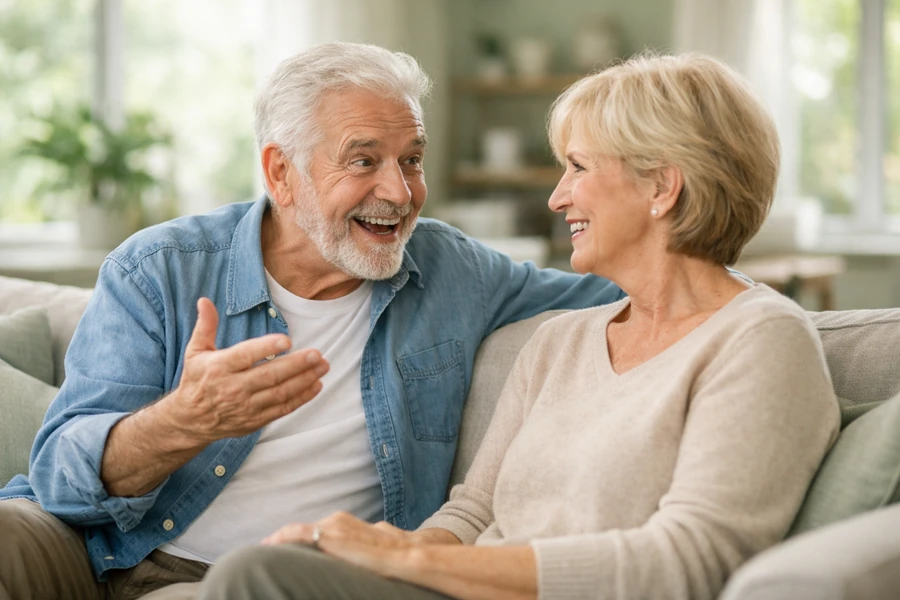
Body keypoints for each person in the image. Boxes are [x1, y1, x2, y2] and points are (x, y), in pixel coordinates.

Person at [188, 52, 842, 600]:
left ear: (661, 188)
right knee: (260, 571)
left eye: (578, 168)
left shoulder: (761, 341)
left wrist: (410, 562)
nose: (557, 196)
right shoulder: (562, 339)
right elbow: (474, 511)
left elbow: (685, 562)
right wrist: (386, 551)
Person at [0, 42, 625, 599]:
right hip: (117, 554)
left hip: (297, 580)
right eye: (363, 161)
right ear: (281, 173)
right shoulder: (159, 269)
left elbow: (625, 284)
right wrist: (183, 422)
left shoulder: (451, 267)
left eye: (411, 159)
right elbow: (59, 478)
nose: (400, 193)